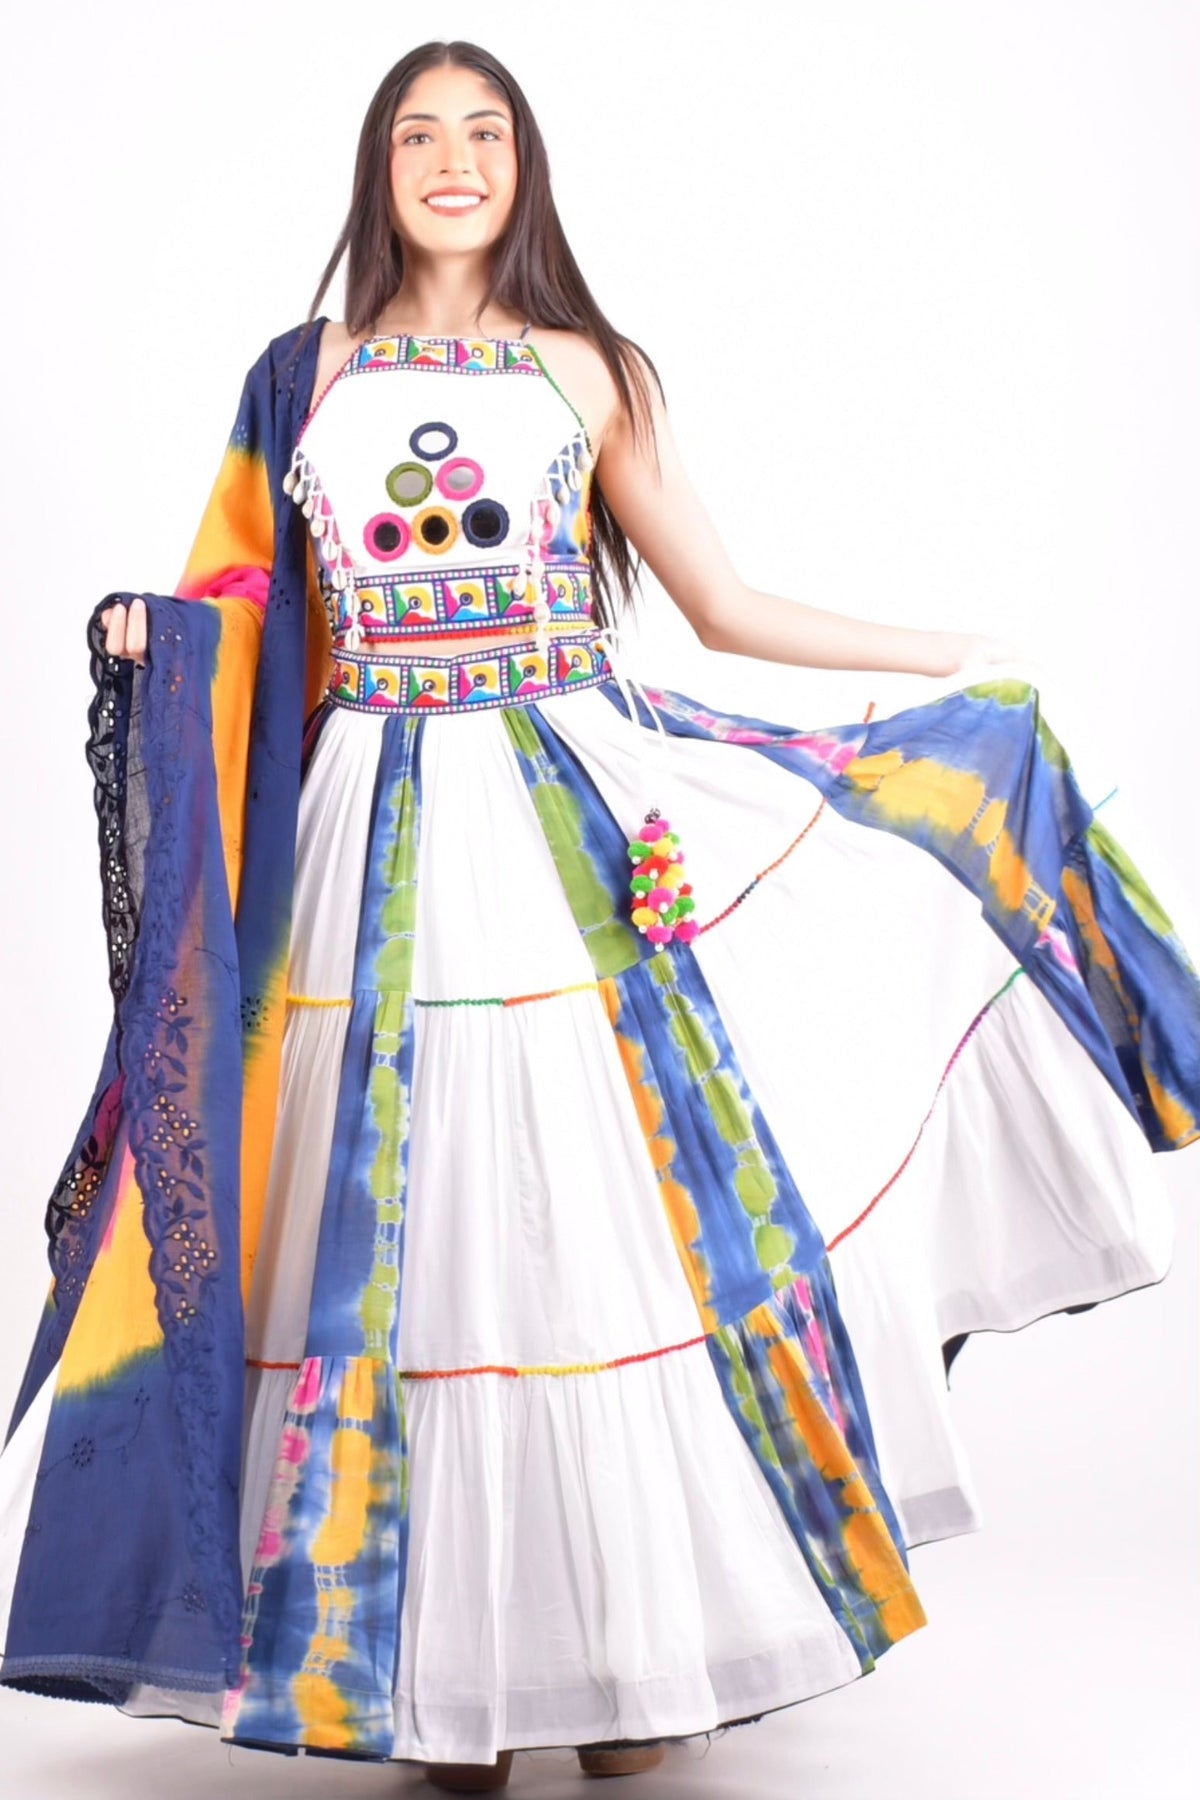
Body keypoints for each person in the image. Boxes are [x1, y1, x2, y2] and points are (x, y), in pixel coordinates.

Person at [1, 37, 1198, 1797]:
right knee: (397, 1249)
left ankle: (632, 1664)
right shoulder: (303, 374)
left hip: (559, 819)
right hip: (365, 839)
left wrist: (942, 655)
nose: (453, 160)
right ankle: (441, 1690)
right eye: (420, 134)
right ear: (379, 168)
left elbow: (718, 601)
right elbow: (241, 596)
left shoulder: (591, 370)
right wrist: (157, 635)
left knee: (581, 1231)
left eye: (484, 132)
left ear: (525, 164)